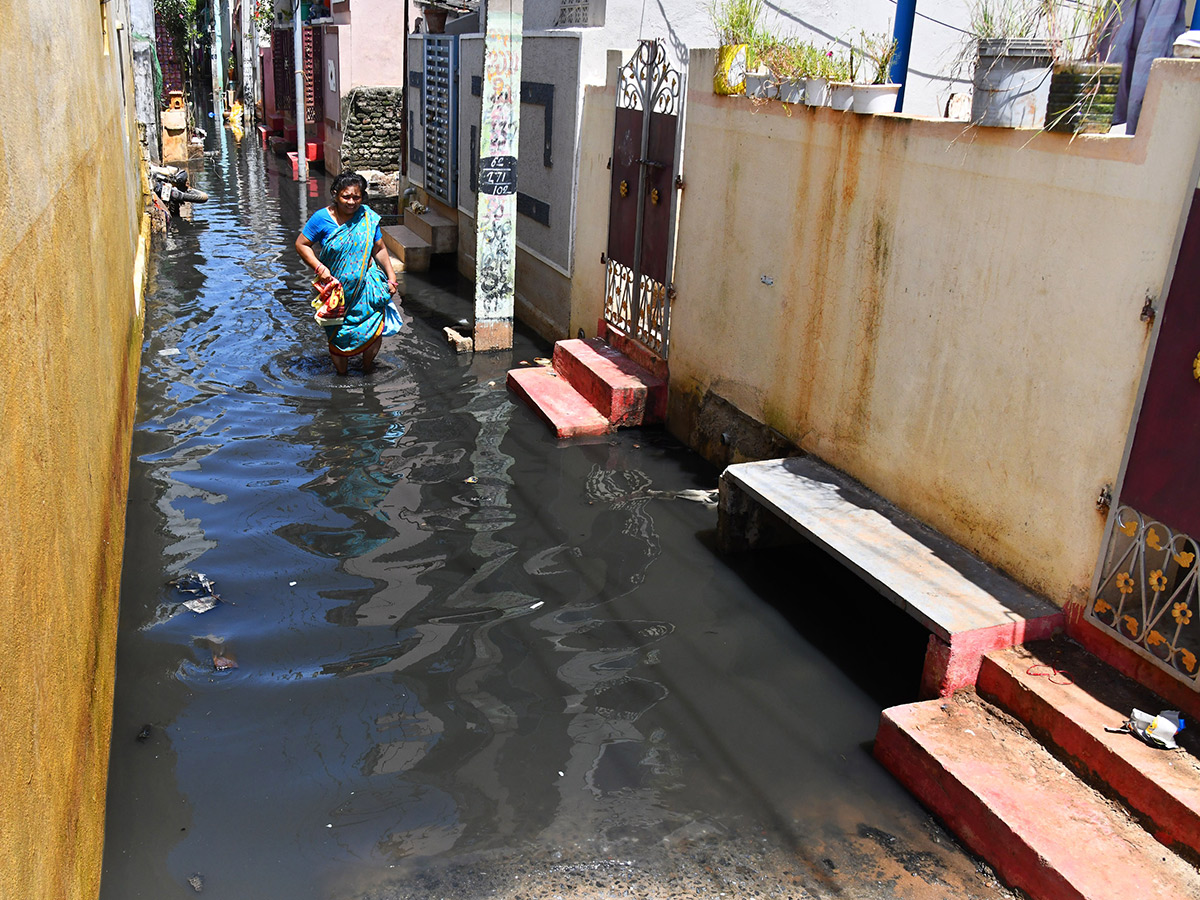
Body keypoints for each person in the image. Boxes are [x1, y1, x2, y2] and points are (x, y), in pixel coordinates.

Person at [295, 172, 399, 374]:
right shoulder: (321, 219)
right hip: (336, 290)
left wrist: (391, 277)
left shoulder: (367, 218)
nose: (351, 202)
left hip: (367, 287)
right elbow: (301, 244)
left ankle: (367, 368)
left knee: (374, 329)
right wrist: (319, 267)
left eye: (356, 197)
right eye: (346, 196)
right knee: (337, 334)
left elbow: (379, 248)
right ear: (335, 194)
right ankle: (342, 375)